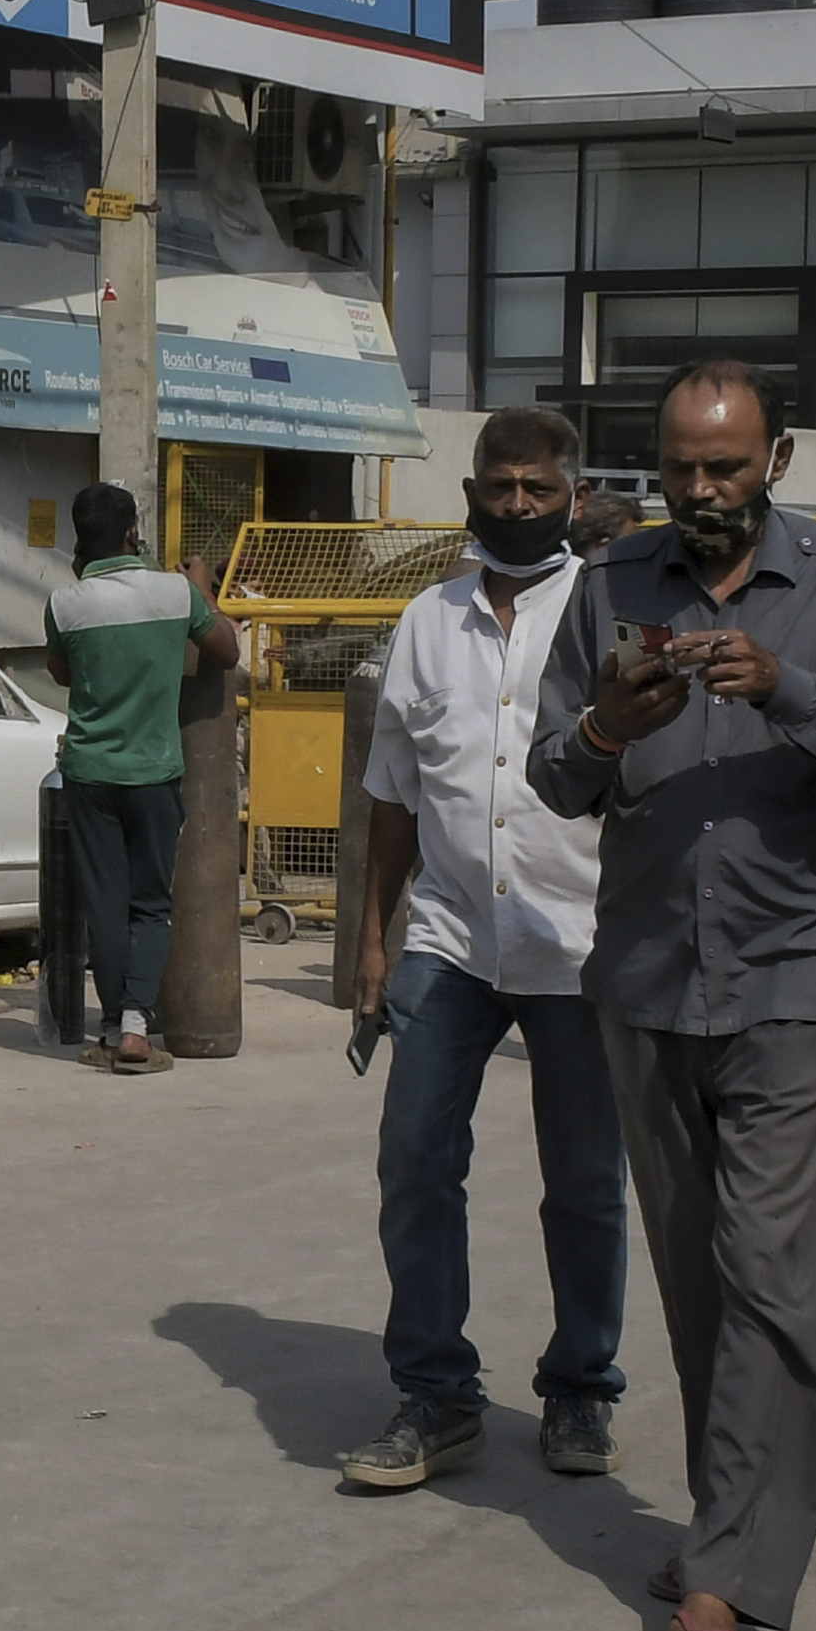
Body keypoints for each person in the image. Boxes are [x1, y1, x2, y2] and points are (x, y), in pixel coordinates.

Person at [526, 358, 816, 1631]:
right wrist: (605, 726)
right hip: (648, 976)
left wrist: (786, 689)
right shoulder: (609, 582)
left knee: (767, 1265)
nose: (700, 490)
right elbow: (551, 774)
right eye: (679, 467)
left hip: (792, 972)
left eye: (726, 466)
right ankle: (731, 1516)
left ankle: (721, 1578)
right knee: (696, 1274)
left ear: (778, 459)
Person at [338, 405, 625, 1492]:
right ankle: (436, 1395)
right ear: (471, 493)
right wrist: (372, 943)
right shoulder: (427, 620)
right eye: (499, 487)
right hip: (451, 937)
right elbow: (392, 794)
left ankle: (581, 1384)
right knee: (414, 1159)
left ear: (572, 496)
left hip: (579, 942)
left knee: (584, 1180)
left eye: (538, 489)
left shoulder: (605, 616)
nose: (517, 505)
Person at [44, 481, 239, 1073]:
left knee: (105, 904)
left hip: (89, 774)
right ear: (133, 532)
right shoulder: (174, 593)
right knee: (151, 904)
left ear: (80, 541)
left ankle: (110, 1030)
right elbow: (226, 650)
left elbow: (62, 672)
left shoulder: (65, 603)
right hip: (153, 774)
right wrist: (202, 588)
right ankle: (135, 1030)